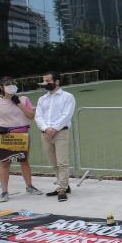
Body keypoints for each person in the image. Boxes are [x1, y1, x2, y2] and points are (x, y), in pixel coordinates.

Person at [0, 77, 42, 202]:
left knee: (24, 161)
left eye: (13, 83)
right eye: (7, 84)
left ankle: (30, 186)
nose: (11, 86)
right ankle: (4, 191)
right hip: (5, 136)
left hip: (22, 135)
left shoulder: (24, 99)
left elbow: (31, 116)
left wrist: (18, 103)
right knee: (5, 163)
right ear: (1, 87)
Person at [34, 71, 76, 201]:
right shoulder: (42, 99)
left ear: (57, 82)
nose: (45, 83)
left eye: (48, 81)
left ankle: (62, 189)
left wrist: (54, 128)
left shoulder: (68, 97)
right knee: (54, 163)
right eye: (44, 80)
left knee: (62, 162)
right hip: (46, 134)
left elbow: (67, 114)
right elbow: (38, 116)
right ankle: (63, 185)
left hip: (61, 133)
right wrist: (46, 129)